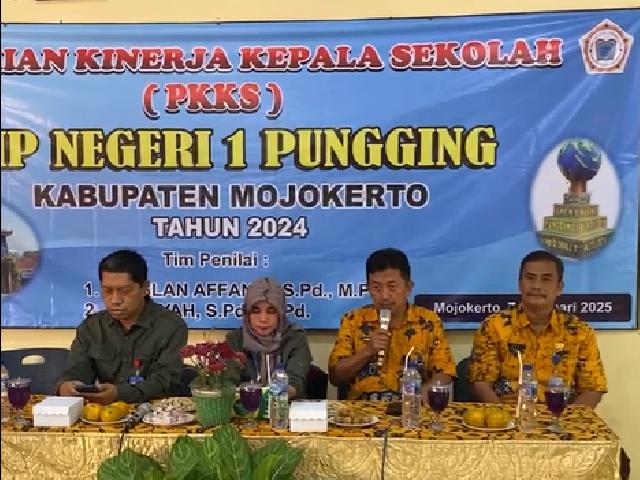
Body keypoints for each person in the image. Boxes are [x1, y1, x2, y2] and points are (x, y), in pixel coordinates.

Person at [469, 250, 607, 408]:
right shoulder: (494, 326)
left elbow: (593, 389)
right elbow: (480, 383)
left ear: (559, 287)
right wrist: (504, 417)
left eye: (546, 279)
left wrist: (567, 419)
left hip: (562, 416)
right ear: (520, 284)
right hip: (507, 415)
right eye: (530, 278)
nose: (536, 286)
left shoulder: (580, 332)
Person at [57, 249, 188, 404]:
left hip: (154, 412)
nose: (115, 300)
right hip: (104, 413)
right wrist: (65, 387)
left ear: (145, 288)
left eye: (124, 291)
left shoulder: (170, 326)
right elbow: (75, 372)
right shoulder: (92, 327)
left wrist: (119, 394)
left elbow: (165, 382)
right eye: (107, 291)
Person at [328, 248, 455, 400]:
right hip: (363, 410)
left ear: (408, 288)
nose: (384, 296)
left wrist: (423, 394)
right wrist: (367, 351)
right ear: (368, 288)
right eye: (376, 287)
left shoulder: (428, 321)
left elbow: (445, 371)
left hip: (411, 405)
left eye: (392, 286)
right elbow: (335, 376)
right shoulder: (353, 320)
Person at [226, 277, 312, 399]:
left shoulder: (295, 337)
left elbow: (295, 382)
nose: (263, 319)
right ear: (247, 313)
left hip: (286, 405)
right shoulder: (235, 340)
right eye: (255, 311)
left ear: (281, 313)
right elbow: (228, 382)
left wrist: (273, 395)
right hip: (245, 405)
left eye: (271, 311)